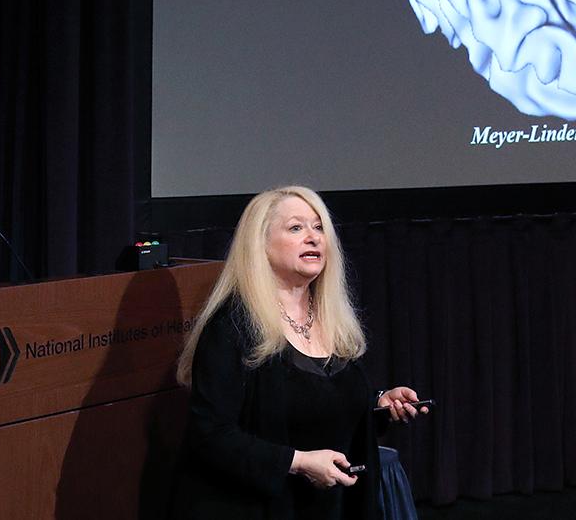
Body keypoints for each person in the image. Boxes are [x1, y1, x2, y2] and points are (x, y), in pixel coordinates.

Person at [169, 185, 427, 519]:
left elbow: (316, 407)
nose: (314, 237)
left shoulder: (332, 321)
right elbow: (210, 436)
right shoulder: (231, 327)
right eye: (296, 228)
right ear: (259, 244)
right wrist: (299, 463)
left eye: (319, 227)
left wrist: (377, 405)